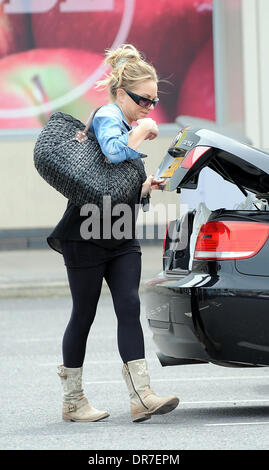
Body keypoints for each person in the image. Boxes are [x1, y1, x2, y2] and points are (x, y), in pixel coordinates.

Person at [47, 44, 179, 423]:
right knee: (84, 314)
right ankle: (73, 402)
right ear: (122, 94)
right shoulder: (108, 114)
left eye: (154, 103)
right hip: (85, 230)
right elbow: (110, 154)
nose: (149, 109)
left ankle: (142, 396)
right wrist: (142, 132)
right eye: (143, 101)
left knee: (129, 306)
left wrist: (145, 184)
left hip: (119, 230)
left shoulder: (124, 120)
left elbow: (113, 184)